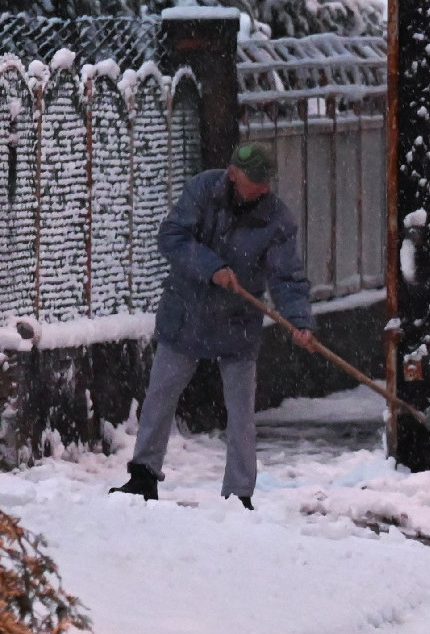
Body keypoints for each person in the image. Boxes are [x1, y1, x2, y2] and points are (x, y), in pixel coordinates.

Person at [110, 142, 316, 507]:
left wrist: (299, 321)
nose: (262, 188)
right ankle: (143, 475)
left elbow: (287, 277)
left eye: (266, 181)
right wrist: (212, 268)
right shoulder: (203, 190)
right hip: (187, 313)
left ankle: (239, 492)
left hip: (238, 324)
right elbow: (172, 237)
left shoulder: (276, 219)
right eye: (255, 180)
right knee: (160, 396)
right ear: (233, 173)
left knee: (241, 414)